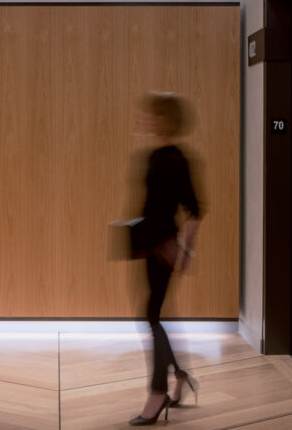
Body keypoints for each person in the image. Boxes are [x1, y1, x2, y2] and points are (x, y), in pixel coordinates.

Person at [129, 92, 203, 426]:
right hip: (147, 246)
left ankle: (158, 393)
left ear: (168, 119)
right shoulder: (153, 155)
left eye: (155, 115)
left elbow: (195, 209)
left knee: (152, 315)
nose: (149, 120)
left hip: (164, 250)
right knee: (154, 316)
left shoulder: (176, 158)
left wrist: (184, 249)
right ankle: (181, 377)